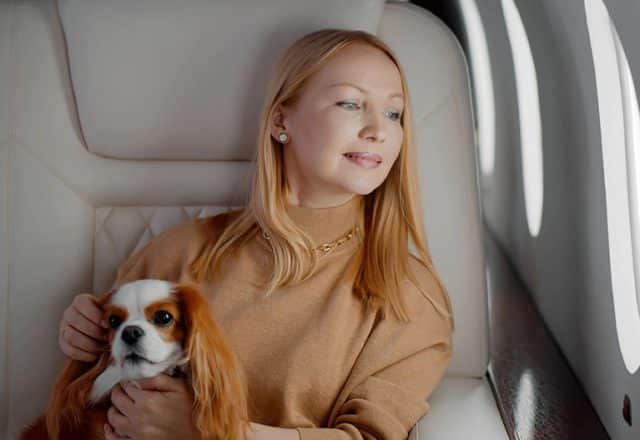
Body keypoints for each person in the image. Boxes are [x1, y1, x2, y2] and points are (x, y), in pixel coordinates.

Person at [57, 28, 455, 440]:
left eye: (394, 113)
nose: (379, 129)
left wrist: (212, 433)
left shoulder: (410, 295)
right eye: (351, 103)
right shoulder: (177, 253)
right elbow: (97, 388)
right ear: (282, 119)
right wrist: (86, 337)